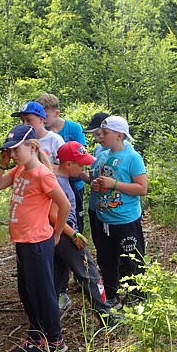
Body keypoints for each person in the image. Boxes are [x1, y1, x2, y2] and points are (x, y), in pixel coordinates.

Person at [0, 124, 71, 352]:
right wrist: (3, 164)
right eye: (9, 151)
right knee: (26, 291)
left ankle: (55, 340)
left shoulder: (42, 174)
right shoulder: (19, 171)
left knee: (42, 292)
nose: (12, 155)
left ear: (32, 147)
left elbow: (64, 205)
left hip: (37, 242)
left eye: (15, 150)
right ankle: (37, 336)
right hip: (22, 241)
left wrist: (57, 234)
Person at [51, 141, 117, 323]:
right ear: (69, 164)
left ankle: (48, 318)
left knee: (55, 276)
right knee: (90, 273)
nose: (83, 169)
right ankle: (107, 316)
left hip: (62, 235)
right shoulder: (58, 183)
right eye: (80, 164)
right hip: (66, 235)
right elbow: (53, 214)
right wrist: (73, 234)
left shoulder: (62, 180)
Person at [89, 116, 148, 306]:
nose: (101, 137)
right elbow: (99, 182)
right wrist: (96, 185)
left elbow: (142, 188)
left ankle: (137, 297)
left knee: (131, 261)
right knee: (106, 261)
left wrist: (114, 184)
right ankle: (111, 297)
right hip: (103, 219)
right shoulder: (103, 156)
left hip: (125, 221)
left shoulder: (132, 157)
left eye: (106, 133)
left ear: (119, 135)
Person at [37, 93, 88, 232]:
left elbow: (81, 157)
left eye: (46, 116)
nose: (43, 120)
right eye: (40, 116)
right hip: (51, 185)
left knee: (75, 218)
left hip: (74, 183)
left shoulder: (74, 128)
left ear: (57, 113)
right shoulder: (41, 134)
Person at [11, 101, 64, 167]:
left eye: (28, 120)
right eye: (23, 121)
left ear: (41, 120)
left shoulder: (54, 139)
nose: (25, 124)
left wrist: (38, 167)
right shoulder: (23, 141)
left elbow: (65, 169)